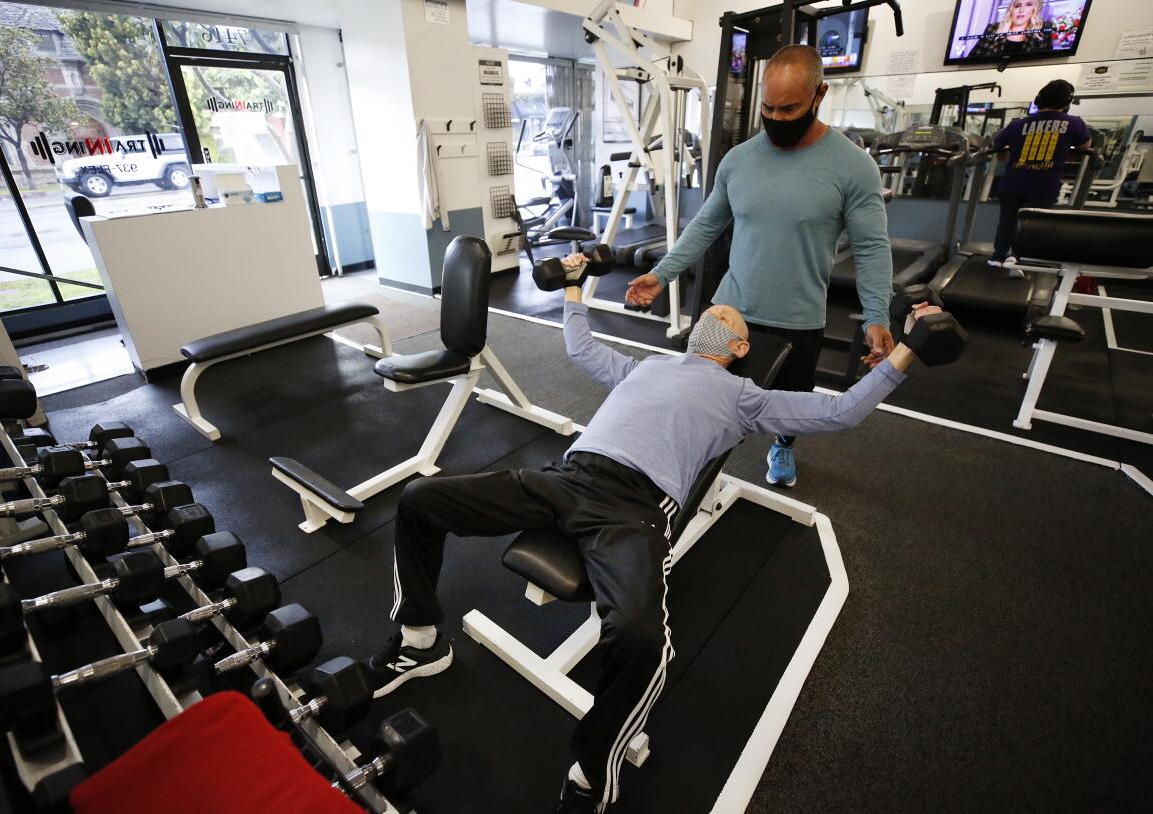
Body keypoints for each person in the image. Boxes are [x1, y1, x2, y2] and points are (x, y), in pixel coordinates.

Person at [364, 262, 946, 814]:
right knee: (421, 499)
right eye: (714, 310)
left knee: (641, 640)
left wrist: (906, 350)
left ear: (739, 350)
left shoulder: (746, 397)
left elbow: (840, 413)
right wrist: (574, 287)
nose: (719, 313)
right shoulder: (646, 365)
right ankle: (420, 641)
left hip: (633, 509)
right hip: (564, 478)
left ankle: (594, 771)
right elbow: (580, 347)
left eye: (730, 320)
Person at [625, 44, 894, 490]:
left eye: (789, 109)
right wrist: (662, 273)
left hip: (798, 316)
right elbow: (706, 225)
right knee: (698, 399)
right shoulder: (739, 160)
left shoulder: (852, 166)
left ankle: (783, 446)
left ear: (819, 95)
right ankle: (690, 460)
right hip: (729, 311)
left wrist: (877, 315)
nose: (777, 118)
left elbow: (871, 247)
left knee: (789, 409)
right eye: (768, 108)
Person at [988, 79, 1091, 276]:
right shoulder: (1073, 123)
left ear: (1038, 100)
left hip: (1013, 182)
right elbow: (1085, 146)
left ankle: (997, 257)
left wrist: (1006, 155)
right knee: (1032, 225)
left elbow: (997, 144)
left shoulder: (1018, 124)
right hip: (1044, 185)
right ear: (1067, 104)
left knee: (1007, 221)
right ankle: (1018, 259)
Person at [966, 0, 1052, 60]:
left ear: (1034, 9)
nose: (1021, 10)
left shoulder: (1042, 31)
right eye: (1017, 6)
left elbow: (1047, 62)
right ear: (1011, 9)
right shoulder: (993, 28)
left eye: (1028, 4)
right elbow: (972, 59)